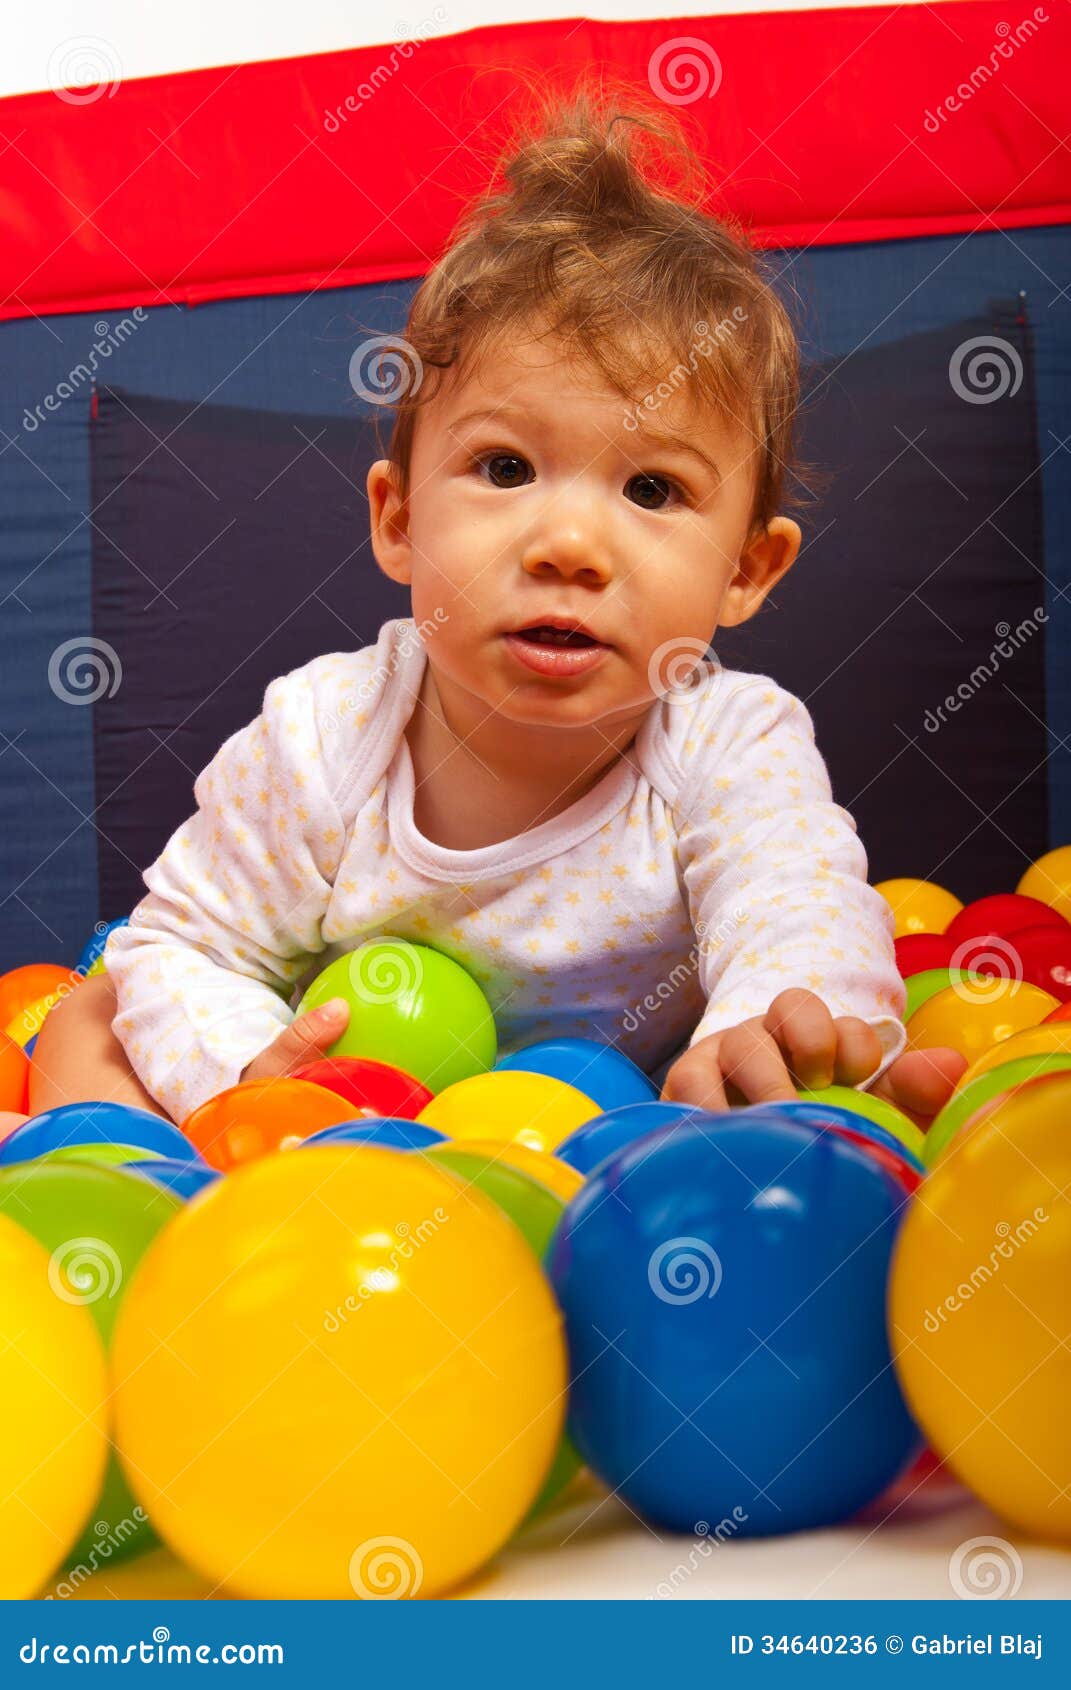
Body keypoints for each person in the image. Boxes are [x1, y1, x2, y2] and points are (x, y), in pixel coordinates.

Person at [28, 85, 966, 1131]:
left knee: (866, 1059)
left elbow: (804, 911)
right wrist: (256, 1079)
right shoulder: (325, 736)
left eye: (651, 490)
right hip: (366, 1141)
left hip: (631, 1143)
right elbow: (187, 943)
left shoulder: (731, 743)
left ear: (747, 568)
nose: (566, 545)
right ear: (398, 518)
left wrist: (771, 1037)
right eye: (505, 466)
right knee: (92, 1017)